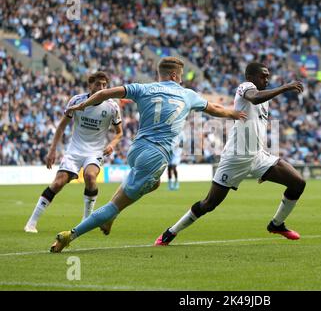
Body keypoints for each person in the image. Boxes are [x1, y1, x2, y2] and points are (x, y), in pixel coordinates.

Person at [49, 57, 246, 252]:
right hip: (155, 155)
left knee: (155, 183)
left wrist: (83, 105)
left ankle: (110, 217)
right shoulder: (187, 94)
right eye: (181, 76)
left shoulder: (143, 88)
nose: (182, 80)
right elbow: (216, 109)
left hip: (136, 149)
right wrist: (234, 114)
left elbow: (107, 93)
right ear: (174, 75)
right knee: (115, 205)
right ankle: (70, 235)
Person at [154, 62, 306, 246]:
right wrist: (285, 87)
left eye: (268, 76)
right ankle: (170, 232)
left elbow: (256, 127)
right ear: (250, 77)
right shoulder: (246, 87)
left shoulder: (266, 98)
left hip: (258, 156)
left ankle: (277, 224)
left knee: (298, 183)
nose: (267, 79)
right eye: (263, 76)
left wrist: (264, 162)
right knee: (209, 204)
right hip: (235, 158)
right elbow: (255, 98)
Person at [24, 71, 123, 233]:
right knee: (58, 183)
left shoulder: (112, 106)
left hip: (95, 151)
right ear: (90, 85)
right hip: (75, 150)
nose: (101, 88)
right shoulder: (77, 101)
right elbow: (62, 126)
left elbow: (120, 133)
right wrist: (52, 149)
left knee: (90, 177)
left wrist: (112, 144)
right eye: (98, 84)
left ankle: (86, 220)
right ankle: (31, 222)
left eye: (105, 85)